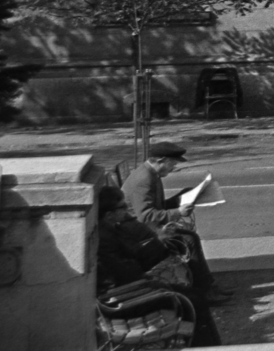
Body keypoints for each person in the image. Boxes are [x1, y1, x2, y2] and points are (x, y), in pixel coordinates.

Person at [97, 186, 221, 345]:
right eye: (122, 207)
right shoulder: (106, 238)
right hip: (123, 299)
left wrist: (155, 243)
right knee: (192, 300)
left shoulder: (111, 229)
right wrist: (145, 268)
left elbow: (133, 259)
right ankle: (208, 346)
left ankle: (210, 346)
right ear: (109, 215)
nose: (127, 211)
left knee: (195, 296)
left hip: (133, 289)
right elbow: (126, 272)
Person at [121, 141, 228, 303]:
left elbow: (156, 207)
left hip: (143, 228)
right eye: (172, 163)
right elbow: (145, 216)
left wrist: (181, 198)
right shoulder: (144, 179)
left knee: (190, 237)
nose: (173, 168)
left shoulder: (150, 173)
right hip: (140, 233)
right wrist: (178, 212)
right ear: (161, 160)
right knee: (188, 240)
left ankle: (207, 286)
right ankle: (205, 291)